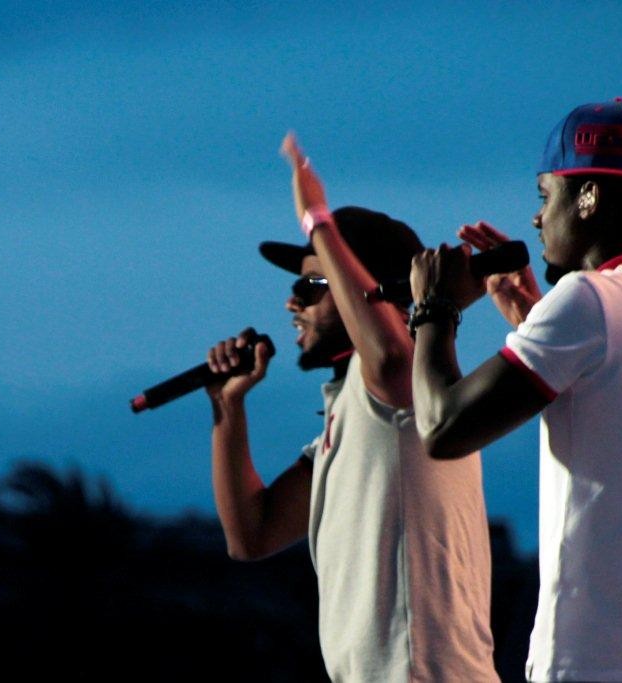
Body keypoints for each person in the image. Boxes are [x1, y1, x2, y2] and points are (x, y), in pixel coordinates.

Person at [409, 99, 622, 682]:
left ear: (587, 197)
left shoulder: (590, 302)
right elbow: (621, 397)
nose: (538, 219)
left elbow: (443, 429)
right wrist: (535, 323)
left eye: (546, 196)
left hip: (594, 663)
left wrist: (434, 309)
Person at [204, 134, 498, 682]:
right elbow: (251, 535)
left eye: (315, 282)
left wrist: (318, 220)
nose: (294, 298)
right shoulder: (351, 412)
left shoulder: (410, 381)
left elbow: (388, 355)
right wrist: (228, 410)